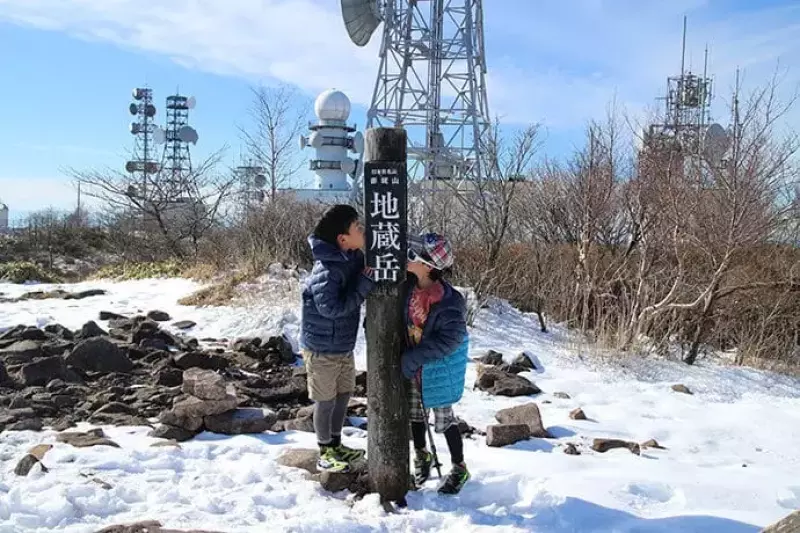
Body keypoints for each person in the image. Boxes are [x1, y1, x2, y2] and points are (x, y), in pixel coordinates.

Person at [301, 204, 375, 473]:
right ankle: (324, 450)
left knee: (344, 395)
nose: (363, 230)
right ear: (343, 239)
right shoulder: (327, 269)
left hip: (342, 345)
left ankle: (336, 443)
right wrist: (363, 286)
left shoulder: (352, 256)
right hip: (321, 348)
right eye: (358, 227)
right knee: (326, 400)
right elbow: (329, 308)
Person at [401, 232, 470, 495]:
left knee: (444, 419)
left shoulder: (448, 301)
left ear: (428, 267)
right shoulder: (409, 287)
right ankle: (422, 456)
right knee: (416, 415)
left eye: (412, 256)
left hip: (435, 369)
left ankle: (459, 466)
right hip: (415, 367)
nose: (407, 258)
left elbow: (449, 340)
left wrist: (413, 357)